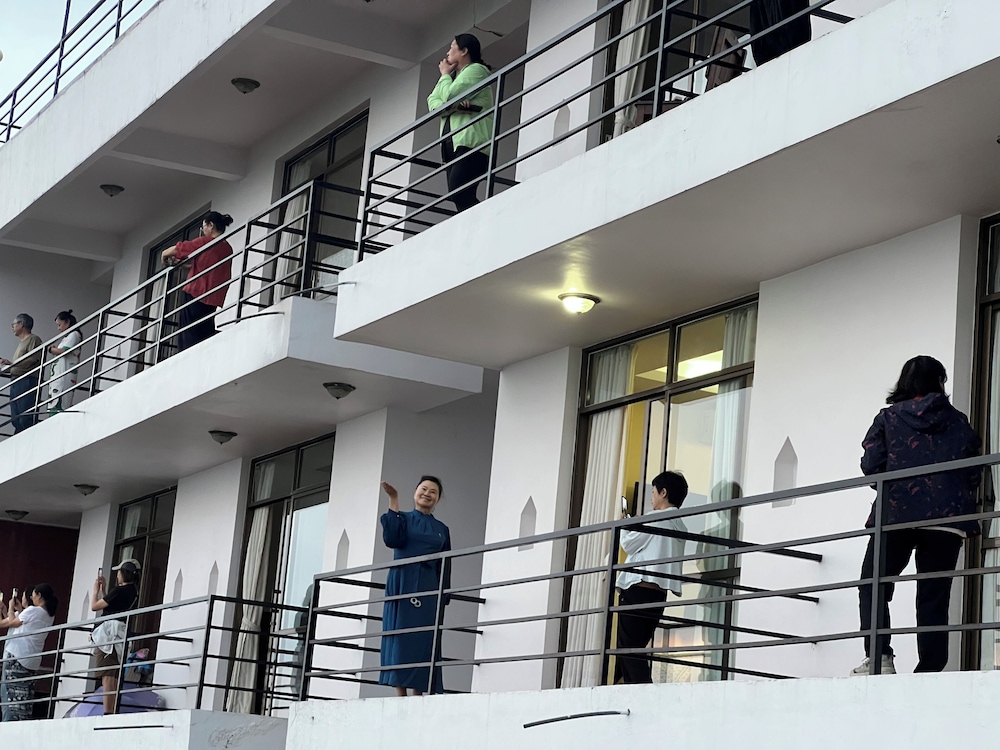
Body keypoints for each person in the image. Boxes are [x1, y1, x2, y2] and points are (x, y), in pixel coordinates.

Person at [851, 356, 981, 676]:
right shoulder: (959, 421)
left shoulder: (888, 418)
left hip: (898, 513)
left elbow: (871, 465)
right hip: (947, 518)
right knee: (933, 595)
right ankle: (931, 668)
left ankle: (880, 657)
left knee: (874, 583)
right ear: (940, 381)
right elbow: (973, 472)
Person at [378, 476, 451, 696]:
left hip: (429, 586)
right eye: (424, 489)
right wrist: (393, 498)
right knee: (402, 635)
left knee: (424, 637)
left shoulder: (442, 529)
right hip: (403, 581)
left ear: (438, 499)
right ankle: (401, 695)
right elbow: (392, 539)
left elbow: (445, 563)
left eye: (433, 492)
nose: (427, 494)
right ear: (416, 491)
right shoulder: (403, 519)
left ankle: (418, 693)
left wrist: (444, 594)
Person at [615, 471, 689, 684]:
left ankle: (642, 691)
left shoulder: (656, 518)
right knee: (635, 648)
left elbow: (628, 544)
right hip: (658, 595)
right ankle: (634, 691)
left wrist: (624, 525)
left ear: (663, 492)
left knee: (628, 648)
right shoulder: (679, 524)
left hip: (639, 589)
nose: (652, 497)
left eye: (654, 492)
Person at [427, 34, 494, 213]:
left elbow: (449, 97)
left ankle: (489, 217)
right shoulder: (452, 79)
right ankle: (482, 222)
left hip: (471, 142)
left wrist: (444, 75)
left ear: (464, 51)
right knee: (459, 196)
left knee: (459, 192)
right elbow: (432, 103)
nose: (448, 53)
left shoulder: (476, 70)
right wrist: (450, 105)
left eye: (452, 47)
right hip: (452, 144)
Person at [160, 211, 234, 352]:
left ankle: (185, 355)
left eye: (204, 226)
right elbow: (207, 267)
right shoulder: (227, 248)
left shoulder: (206, 242)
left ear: (211, 225)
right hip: (213, 297)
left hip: (196, 292)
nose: (203, 230)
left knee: (188, 332)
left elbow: (179, 248)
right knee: (204, 330)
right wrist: (180, 265)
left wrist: (163, 255)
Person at [0, 585, 57, 721]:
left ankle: (8, 726)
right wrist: (12, 610)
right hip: (32, 660)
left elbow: (14, 623)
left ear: (39, 595)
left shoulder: (33, 610)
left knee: (10, 696)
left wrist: (10, 608)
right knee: (23, 698)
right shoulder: (48, 615)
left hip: (17, 656)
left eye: (33, 595)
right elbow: (24, 623)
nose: (32, 597)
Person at [91, 558, 141, 715]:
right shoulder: (133, 592)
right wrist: (105, 592)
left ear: (123, 573)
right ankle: (111, 711)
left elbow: (95, 606)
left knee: (107, 675)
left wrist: (95, 591)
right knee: (113, 674)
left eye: (119, 572)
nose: (117, 575)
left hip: (109, 636)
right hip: (119, 634)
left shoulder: (119, 590)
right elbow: (113, 607)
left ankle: (108, 712)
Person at [0, 314, 43, 433]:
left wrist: (12, 364)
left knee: (25, 415)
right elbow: (17, 366)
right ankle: (19, 436)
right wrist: (8, 366)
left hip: (26, 380)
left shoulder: (33, 339)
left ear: (21, 324)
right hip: (16, 380)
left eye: (14, 324)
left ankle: (26, 436)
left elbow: (33, 359)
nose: (12, 327)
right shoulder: (21, 343)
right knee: (16, 417)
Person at [47, 310, 81, 414]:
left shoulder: (74, 334)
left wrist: (51, 349)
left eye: (60, 325)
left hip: (64, 375)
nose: (59, 328)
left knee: (60, 402)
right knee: (54, 400)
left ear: (67, 322)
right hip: (58, 376)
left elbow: (63, 351)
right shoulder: (67, 337)